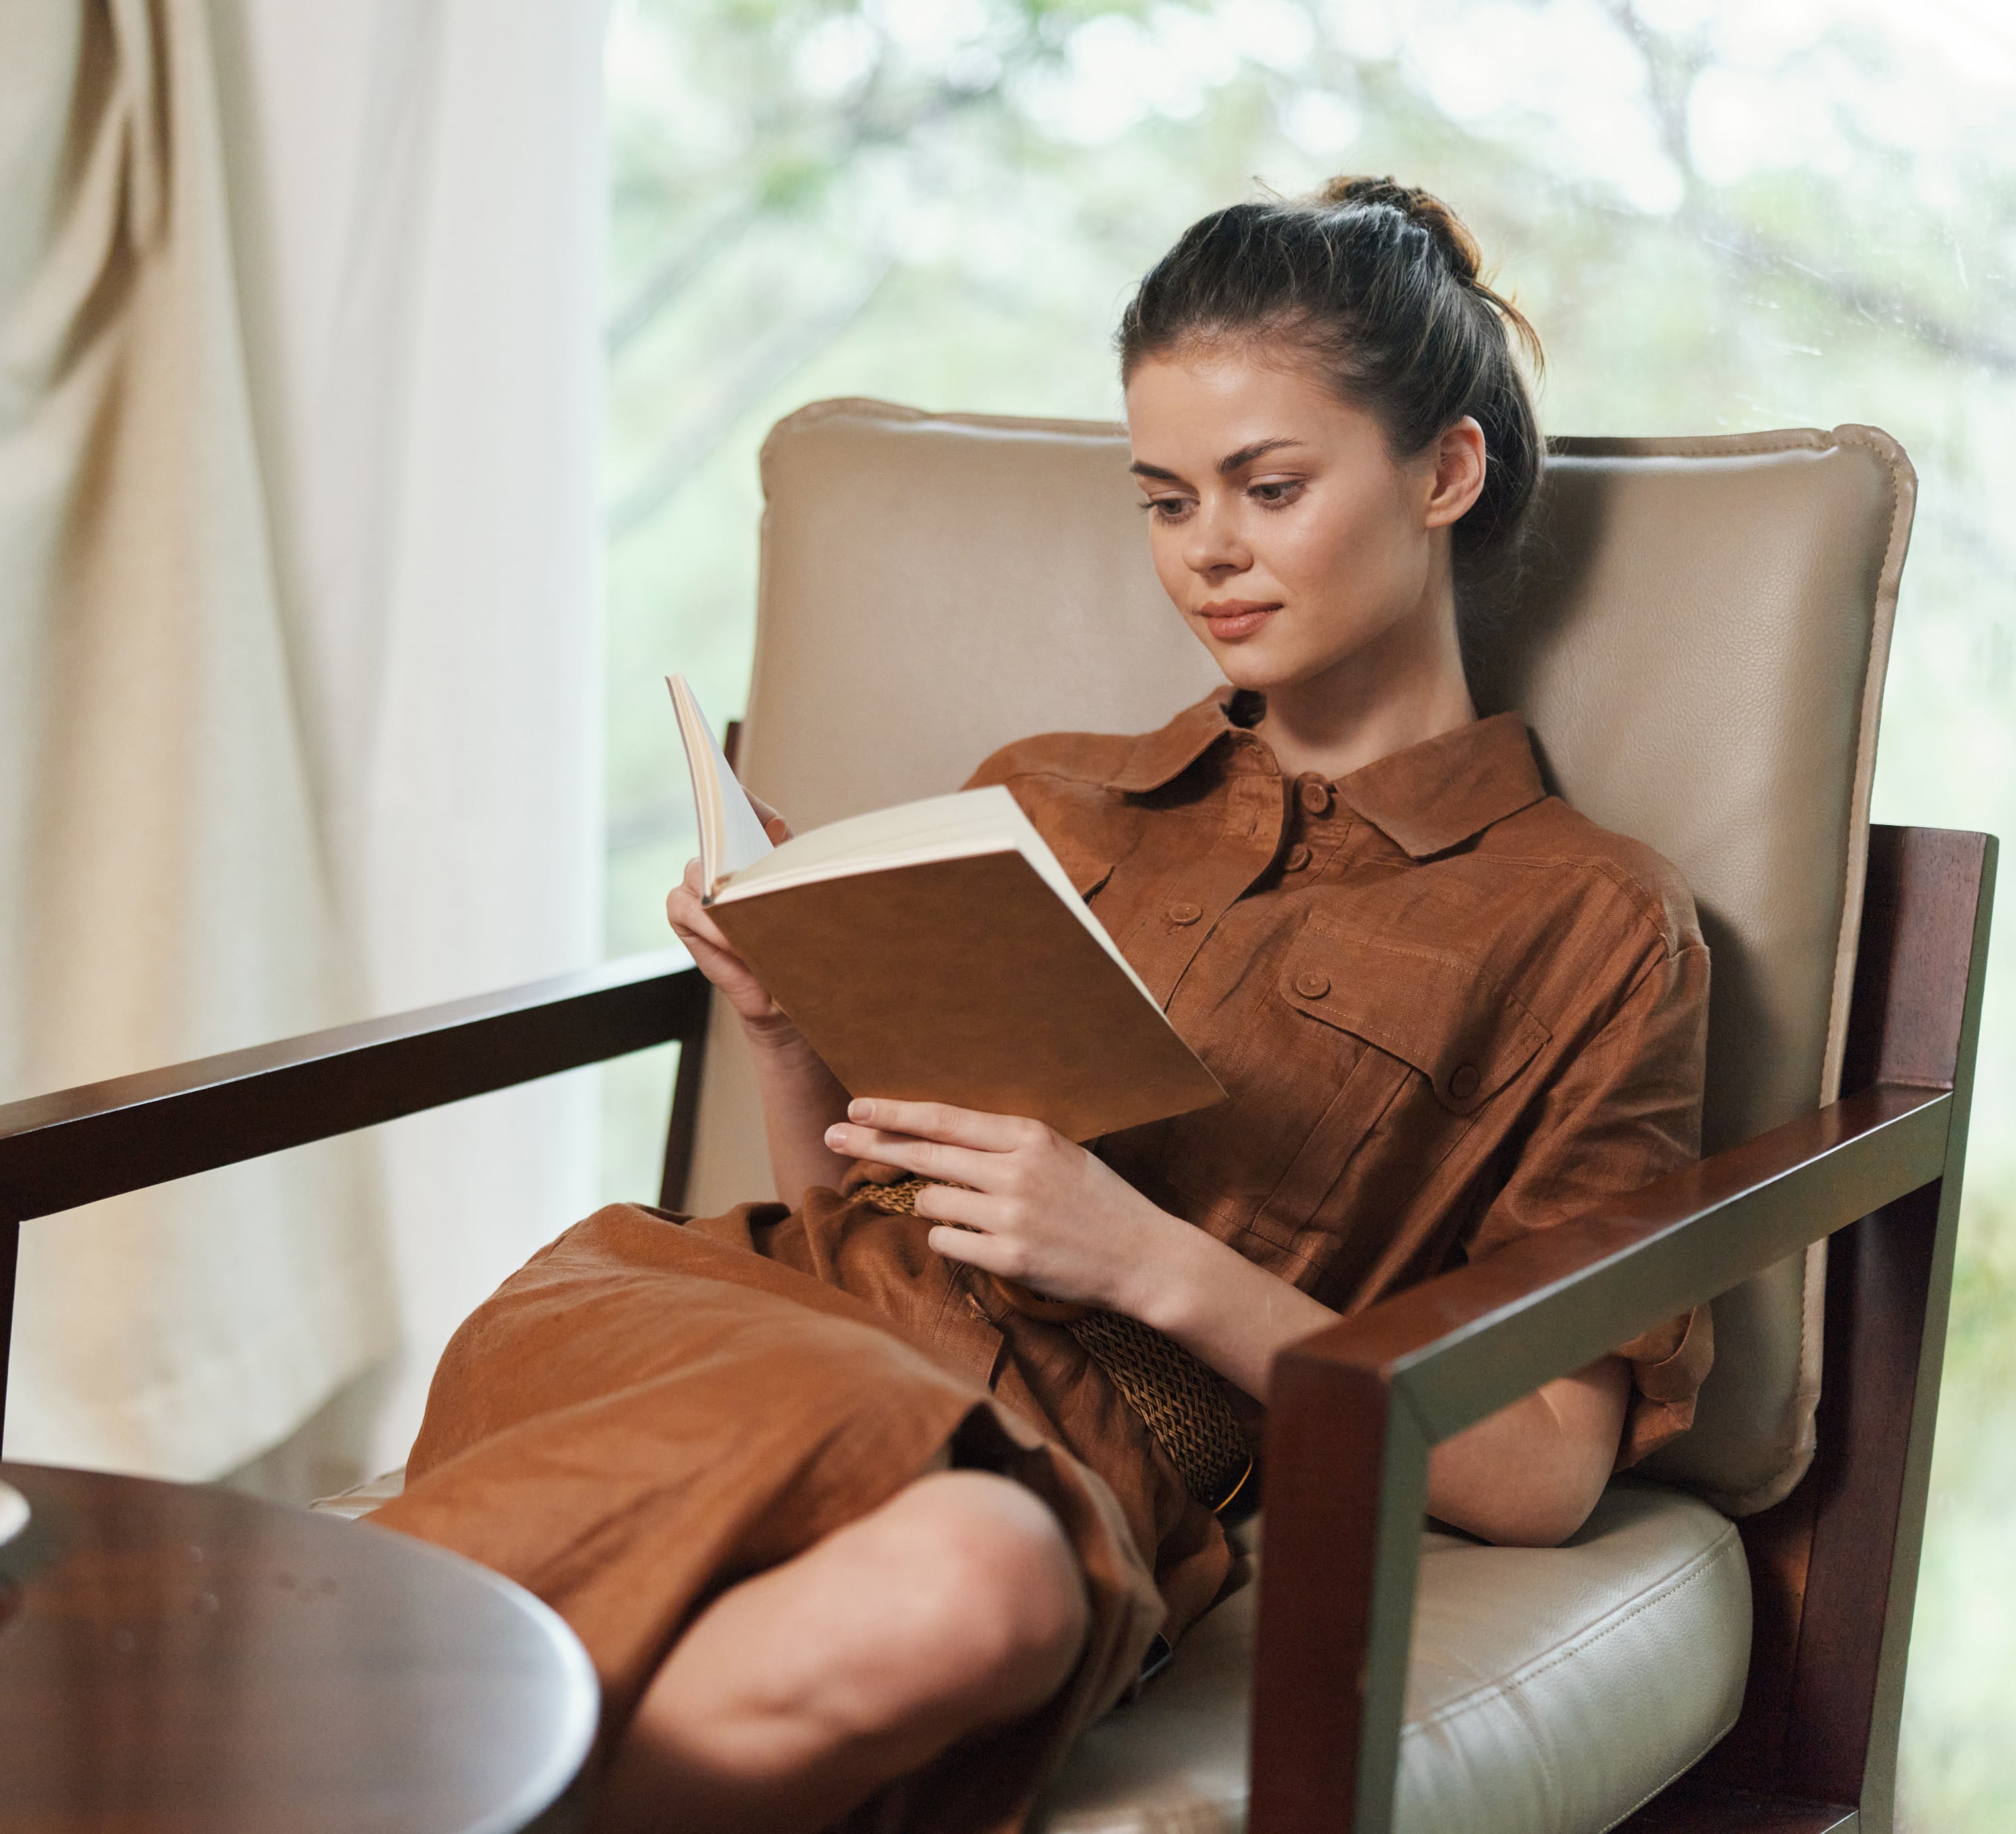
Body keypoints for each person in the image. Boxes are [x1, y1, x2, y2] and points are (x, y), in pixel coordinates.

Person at [368, 177, 1714, 1834]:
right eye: (1163, 500)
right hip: (727, 1327)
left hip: (1058, 1457)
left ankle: (321, 1744)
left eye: (1268, 487)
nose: (1207, 551)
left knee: (987, 1580)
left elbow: (1545, 1465)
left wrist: (1140, 1255)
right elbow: (844, 1213)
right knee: (896, 1458)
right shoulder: (1043, 804)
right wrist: (786, 1018)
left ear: (1442, 470)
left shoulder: (1589, 922)